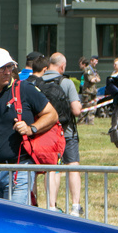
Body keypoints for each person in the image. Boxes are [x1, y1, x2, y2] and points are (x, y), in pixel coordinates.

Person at [0, 47, 58, 205]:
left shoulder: (25, 89)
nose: (7, 71)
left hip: (19, 169)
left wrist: (31, 128)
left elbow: (52, 114)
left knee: (15, 219)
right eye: (1, 68)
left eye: (9, 66)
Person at [36, 53, 83, 212]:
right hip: (66, 132)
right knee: (73, 166)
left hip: (45, 133)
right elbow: (76, 110)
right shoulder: (67, 82)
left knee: (51, 168)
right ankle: (76, 205)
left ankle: (51, 205)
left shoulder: (39, 82)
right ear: (62, 66)